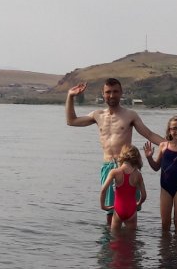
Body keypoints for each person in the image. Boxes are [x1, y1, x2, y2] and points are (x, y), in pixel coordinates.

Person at [66, 78, 163, 213]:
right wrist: (70, 96)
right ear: (103, 94)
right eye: (108, 92)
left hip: (127, 168)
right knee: (110, 212)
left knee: (130, 212)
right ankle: (110, 235)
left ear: (121, 92)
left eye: (115, 91)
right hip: (108, 168)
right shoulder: (97, 115)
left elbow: (149, 134)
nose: (112, 95)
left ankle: (130, 234)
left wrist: (170, 144)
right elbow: (71, 121)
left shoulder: (130, 115)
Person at [143, 115, 177, 232]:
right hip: (165, 188)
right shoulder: (163, 146)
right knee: (165, 222)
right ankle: (165, 249)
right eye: (174, 128)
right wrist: (149, 158)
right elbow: (156, 167)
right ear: (169, 131)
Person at [100, 145, 148, 232]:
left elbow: (103, 190)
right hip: (131, 210)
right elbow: (144, 195)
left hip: (118, 209)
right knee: (131, 241)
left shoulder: (114, 172)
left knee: (114, 238)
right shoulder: (138, 174)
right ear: (136, 158)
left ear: (121, 156)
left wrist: (102, 205)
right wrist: (138, 203)